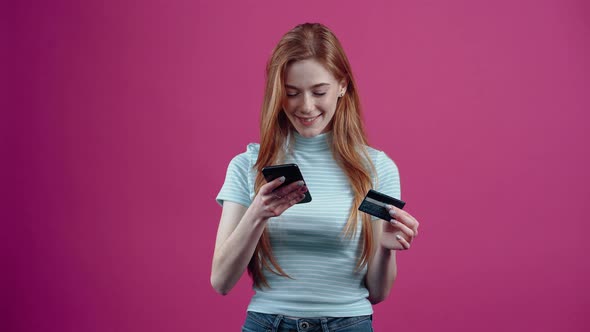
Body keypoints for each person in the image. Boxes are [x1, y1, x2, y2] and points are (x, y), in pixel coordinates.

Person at [211, 23, 420, 332]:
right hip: (267, 323)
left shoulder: (376, 168)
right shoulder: (248, 166)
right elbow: (221, 281)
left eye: (319, 92)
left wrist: (386, 249)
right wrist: (257, 213)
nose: (306, 107)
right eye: (292, 93)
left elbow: (378, 292)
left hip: (349, 324)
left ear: (343, 85)